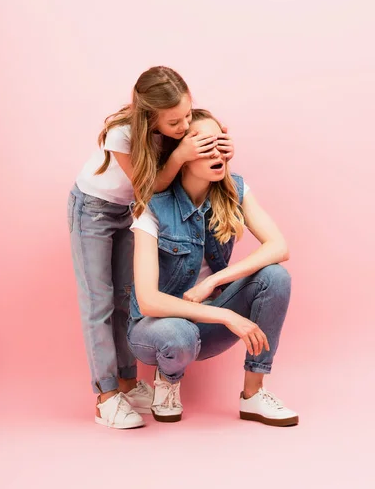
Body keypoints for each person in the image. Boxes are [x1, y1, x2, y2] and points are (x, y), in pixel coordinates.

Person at [67, 67, 234, 429]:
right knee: (99, 301)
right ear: (149, 116)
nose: (184, 125)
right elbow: (150, 188)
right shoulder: (122, 133)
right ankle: (106, 396)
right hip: (95, 210)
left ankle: (127, 384)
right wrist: (178, 155)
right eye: (175, 121)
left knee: (128, 298)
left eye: (187, 115)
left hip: (133, 212)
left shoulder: (176, 126)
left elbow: (203, 147)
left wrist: (222, 144)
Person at [127, 109, 299, 427]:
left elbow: (279, 247)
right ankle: (167, 380)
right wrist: (226, 315)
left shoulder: (234, 190)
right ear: (183, 155)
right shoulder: (152, 207)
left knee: (274, 276)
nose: (217, 151)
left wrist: (214, 281)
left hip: (206, 324)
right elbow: (149, 301)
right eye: (205, 145)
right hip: (157, 329)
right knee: (178, 333)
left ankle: (253, 395)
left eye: (220, 142)